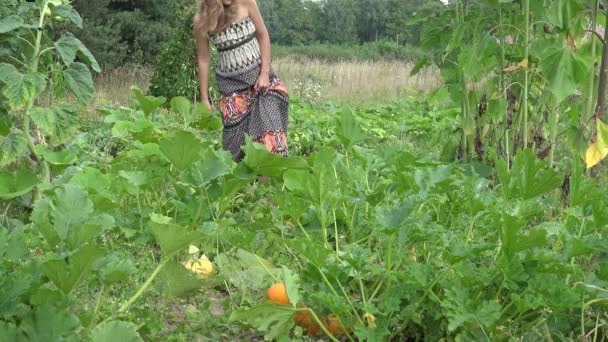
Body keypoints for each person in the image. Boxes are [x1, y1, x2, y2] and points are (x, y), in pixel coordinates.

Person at [194, 0, 289, 162]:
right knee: (234, 150)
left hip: (262, 82)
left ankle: (266, 186)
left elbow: (263, 34)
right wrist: (204, 98)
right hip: (231, 88)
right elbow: (204, 59)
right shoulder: (201, 20)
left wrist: (264, 72)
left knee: (271, 135)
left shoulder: (247, 3)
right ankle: (242, 185)